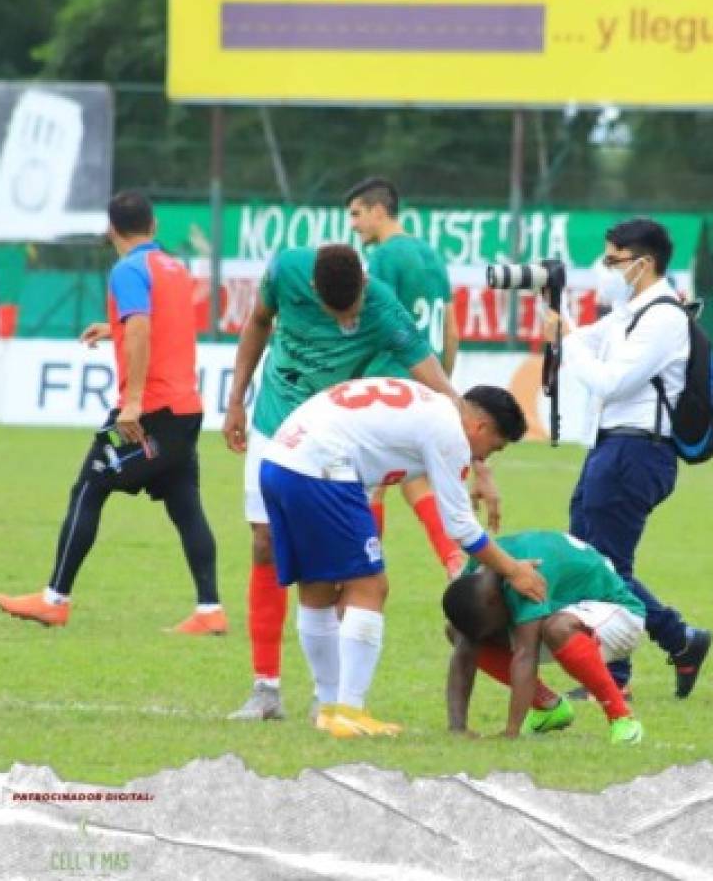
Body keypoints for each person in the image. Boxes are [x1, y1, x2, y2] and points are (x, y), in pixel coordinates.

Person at [223, 243, 501, 721]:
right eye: (337, 314)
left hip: (341, 444)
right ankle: (266, 687)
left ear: (365, 286)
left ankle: (328, 696)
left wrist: (475, 453)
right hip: (275, 424)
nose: (346, 323)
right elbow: (257, 324)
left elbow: (431, 373)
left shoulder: (381, 304)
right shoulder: (285, 271)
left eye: (353, 313)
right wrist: (235, 399)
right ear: (311, 288)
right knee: (265, 543)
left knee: (346, 573)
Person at [259, 380, 545, 738]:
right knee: (371, 587)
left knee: (316, 588)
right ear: (480, 427)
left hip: (279, 462)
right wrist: (514, 570)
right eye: (494, 447)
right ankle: (348, 711)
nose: (485, 458)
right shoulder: (451, 433)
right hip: (322, 470)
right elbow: (461, 527)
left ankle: (330, 709)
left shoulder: (430, 407)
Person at [0, 190, 223, 633]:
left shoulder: (127, 269)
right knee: (186, 505)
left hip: (152, 411)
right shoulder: (173, 266)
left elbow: (140, 327)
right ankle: (210, 611)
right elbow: (156, 323)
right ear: (154, 227)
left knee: (90, 485)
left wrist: (132, 402)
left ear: (112, 230)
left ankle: (54, 600)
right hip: (185, 409)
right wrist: (113, 329)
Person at [546, 218, 712, 700]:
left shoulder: (662, 318)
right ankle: (673, 643)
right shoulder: (632, 310)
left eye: (612, 259)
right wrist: (565, 329)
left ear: (644, 262)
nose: (606, 269)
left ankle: (632, 666)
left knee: (604, 566)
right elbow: (590, 342)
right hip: (614, 447)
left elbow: (611, 381)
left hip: (638, 450)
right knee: (590, 560)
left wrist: (567, 341)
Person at [345, 177, 464, 579]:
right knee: (417, 480)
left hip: (387, 384)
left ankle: (366, 568)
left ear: (379, 210)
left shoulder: (382, 259)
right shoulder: (431, 255)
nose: (354, 225)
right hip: (424, 387)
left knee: (368, 481)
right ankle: (454, 561)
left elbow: (371, 324)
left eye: (357, 215)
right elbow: (451, 328)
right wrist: (441, 384)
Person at [443, 530, 644, 744]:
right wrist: (457, 728)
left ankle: (623, 719)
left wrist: (511, 732)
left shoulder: (527, 576)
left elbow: (525, 655)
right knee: (457, 632)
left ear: (494, 601)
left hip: (620, 616)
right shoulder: (477, 571)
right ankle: (549, 708)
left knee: (557, 628)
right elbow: (465, 645)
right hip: (566, 612)